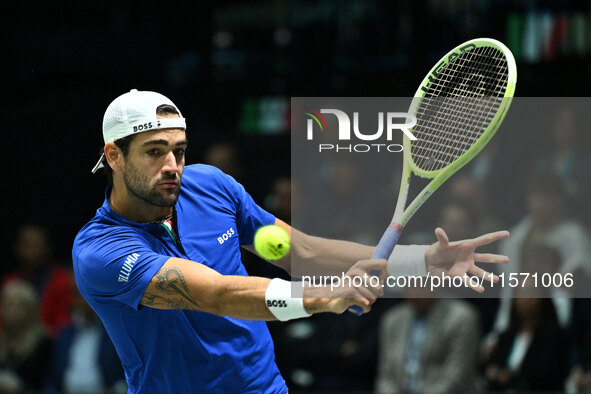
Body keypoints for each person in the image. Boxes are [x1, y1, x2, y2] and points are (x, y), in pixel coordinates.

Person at [72, 89, 510, 393]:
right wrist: (322, 298)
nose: (173, 165)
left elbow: (300, 251)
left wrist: (419, 262)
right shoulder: (101, 252)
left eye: (180, 150)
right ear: (114, 156)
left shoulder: (211, 188)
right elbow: (218, 294)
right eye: (154, 151)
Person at [375, 286, 482, 394]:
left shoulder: (461, 318)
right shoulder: (393, 319)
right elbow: (386, 377)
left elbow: (457, 377)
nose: (413, 292)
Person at [0, 280, 53, 393]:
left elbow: (46, 384)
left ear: (31, 309)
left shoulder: (44, 343)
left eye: (17, 305)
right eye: (7, 304)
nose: (10, 310)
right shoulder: (2, 342)